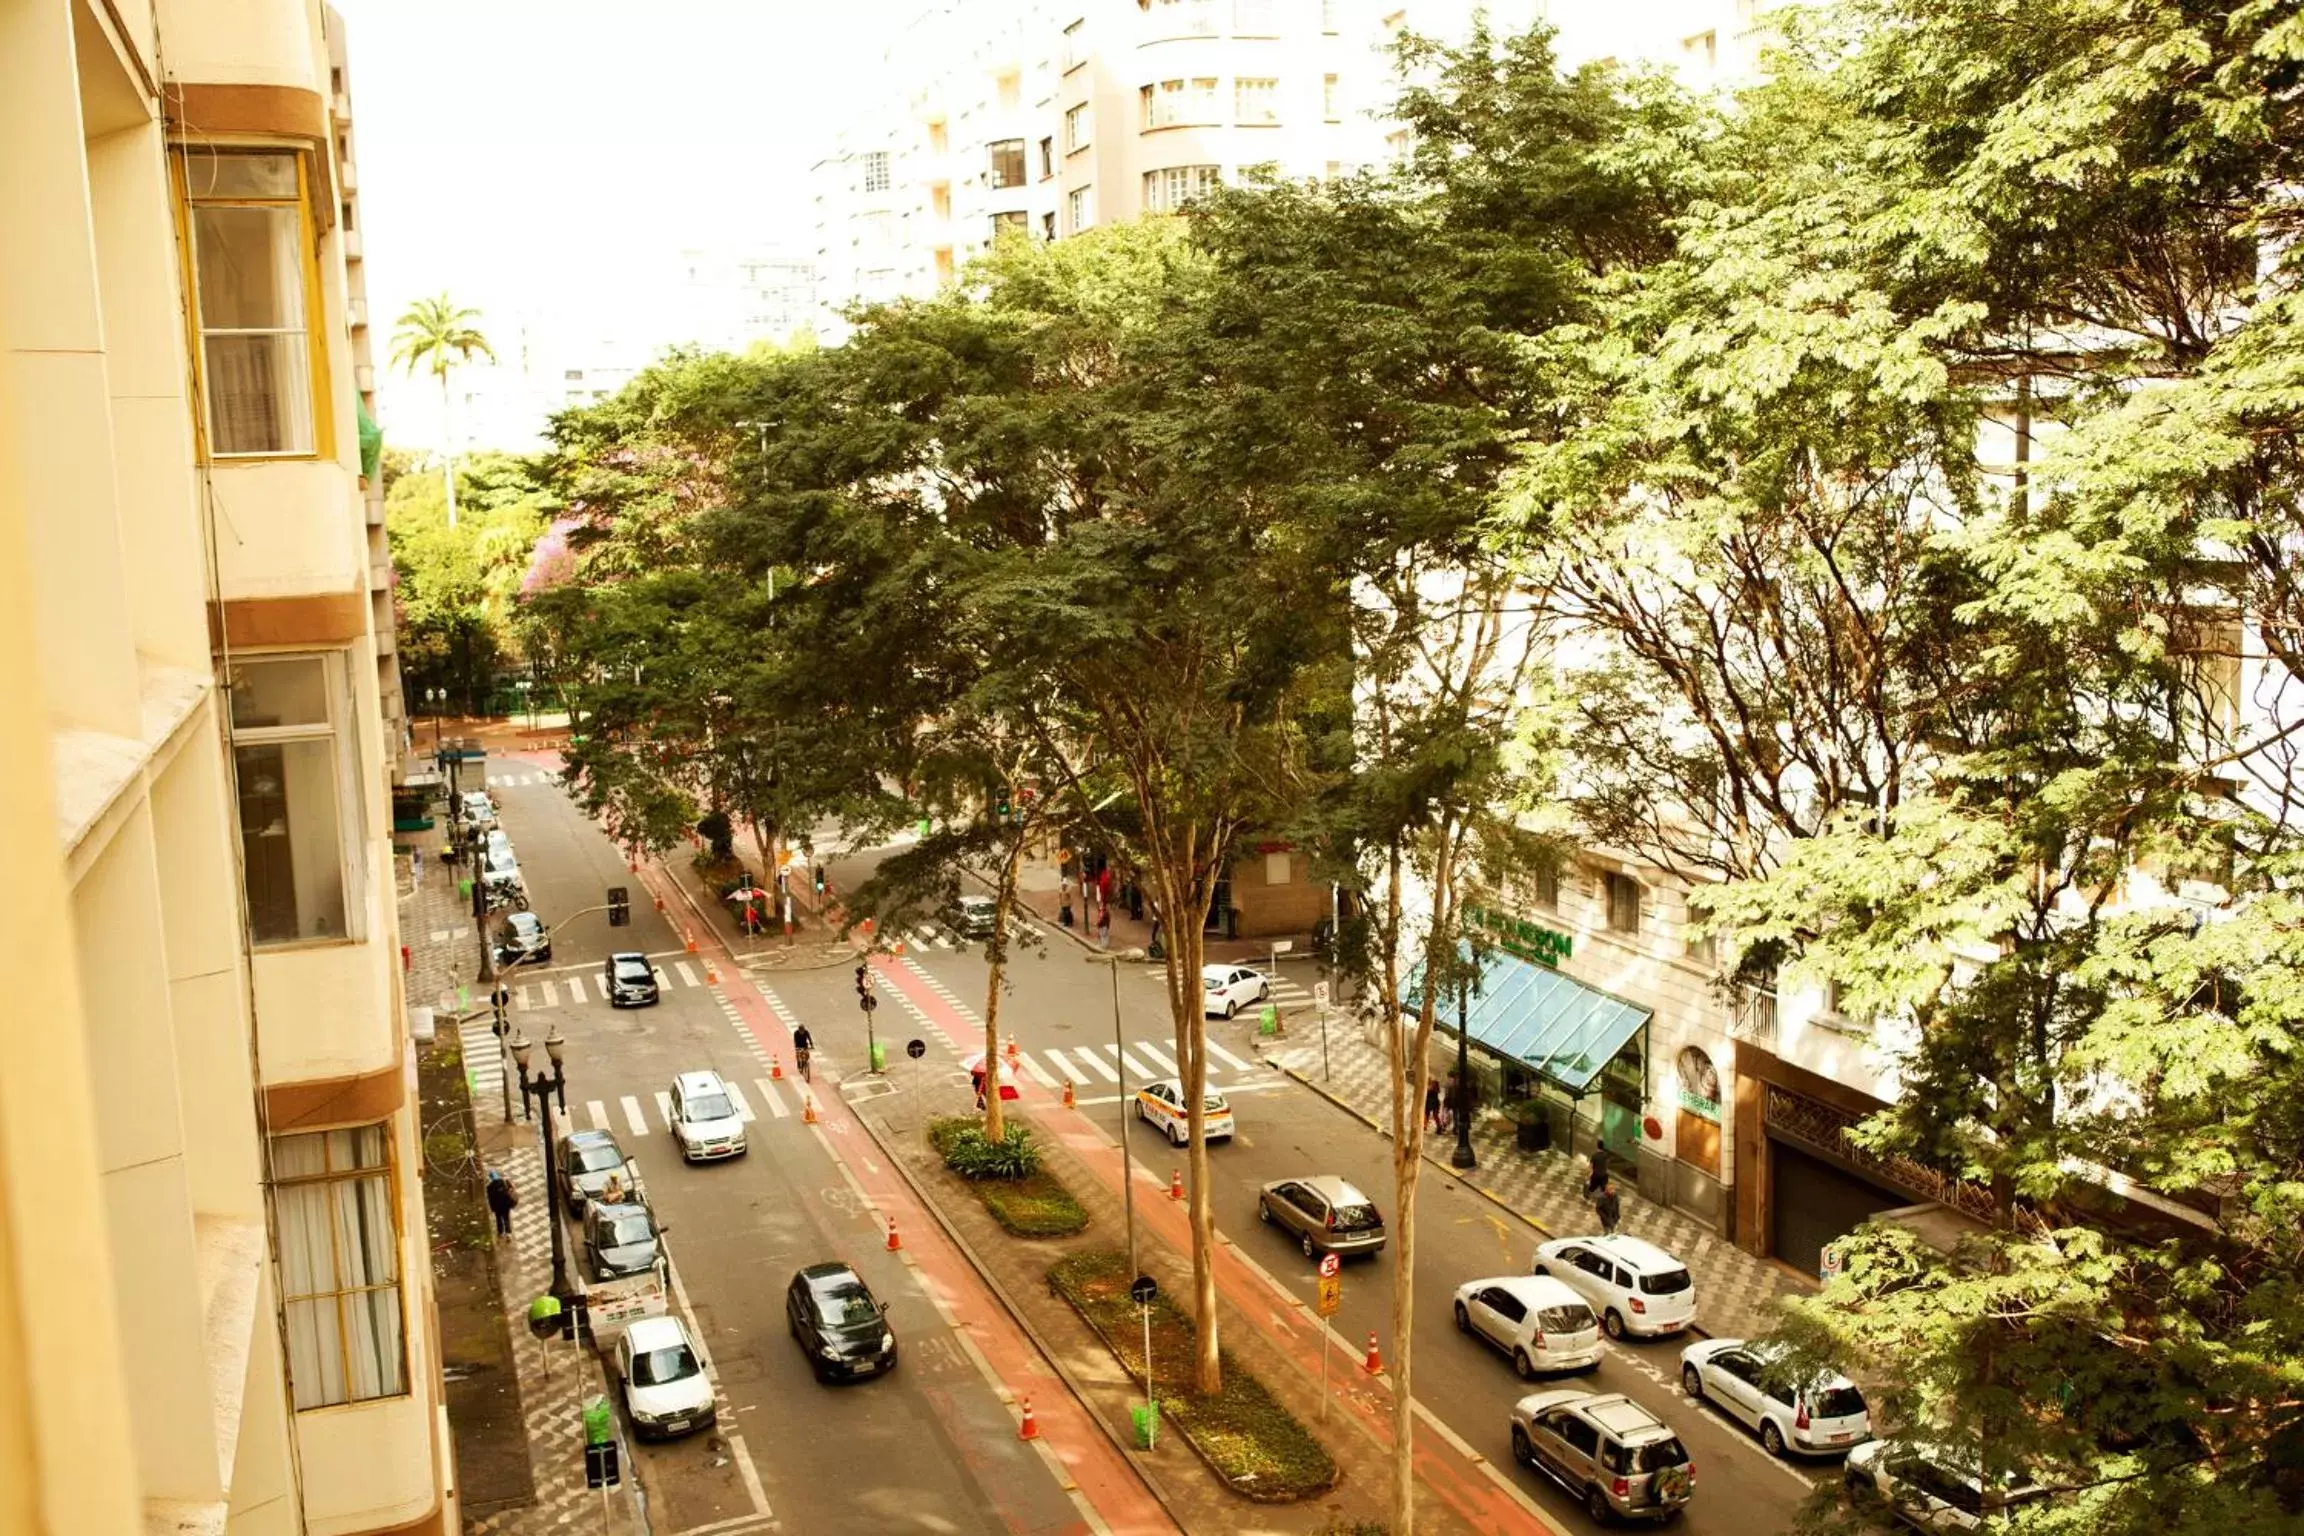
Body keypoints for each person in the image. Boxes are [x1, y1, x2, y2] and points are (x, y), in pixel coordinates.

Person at [485, 1169, 517, 1236]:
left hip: (497, 1206)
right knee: (506, 1218)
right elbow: (509, 1190)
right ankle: (508, 1232)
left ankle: (500, 1232)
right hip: (505, 1204)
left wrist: (492, 1208)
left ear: (491, 1178)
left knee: (498, 1219)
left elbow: (490, 1199)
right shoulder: (503, 1182)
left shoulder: (489, 1187)